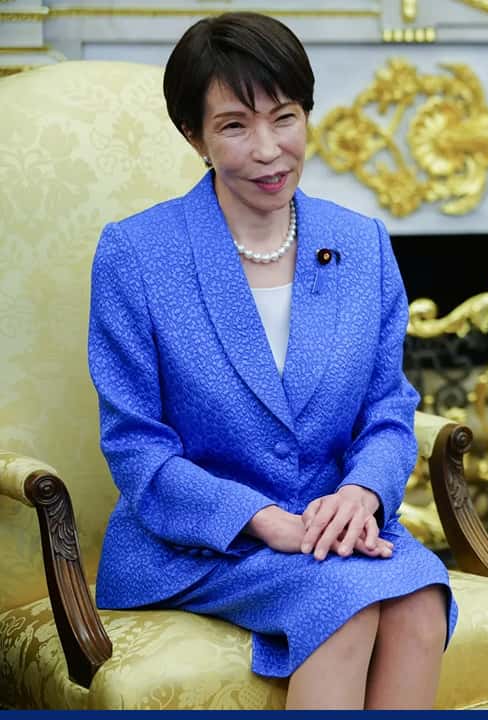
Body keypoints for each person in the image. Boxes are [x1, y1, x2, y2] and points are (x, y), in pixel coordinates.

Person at [87, 12, 455, 709]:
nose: (268, 150)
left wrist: (362, 495)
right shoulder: (136, 255)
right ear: (193, 136)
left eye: (284, 118)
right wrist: (263, 520)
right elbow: (137, 449)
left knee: (421, 602)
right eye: (234, 126)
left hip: (335, 522)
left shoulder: (362, 245)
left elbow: (388, 409)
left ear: (308, 116)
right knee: (347, 601)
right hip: (199, 542)